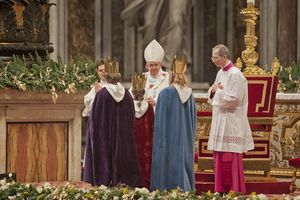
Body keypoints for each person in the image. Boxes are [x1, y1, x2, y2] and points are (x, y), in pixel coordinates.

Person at [83, 57, 142, 187]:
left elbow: (95, 121)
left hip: (105, 140)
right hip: (123, 139)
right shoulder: (126, 94)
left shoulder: (102, 94)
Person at [207, 44, 254, 193]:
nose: (212, 60)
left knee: (230, 156)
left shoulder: (236, 75)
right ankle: (220, 189)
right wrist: (214, 91)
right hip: (221, 118)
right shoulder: (220, 73)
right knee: (219, 154)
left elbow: (235, 99)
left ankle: (234, 189)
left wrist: (217, 92)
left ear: (224, 57)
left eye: (215, 57)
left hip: (231, 121)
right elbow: (214, 90)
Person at [151, 55, 196, 191]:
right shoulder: (189, 94)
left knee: (167, 160)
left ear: (171, 74)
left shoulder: (165, 93)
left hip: (168, 139)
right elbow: (193, 121)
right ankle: (186, 188)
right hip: (185, 140)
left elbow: (159, 122)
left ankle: (165, 187)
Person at [131, 73, 154, 189]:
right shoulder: (149, 107)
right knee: (145, 164)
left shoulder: (129, 106)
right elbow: (153, 125)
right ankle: (146, 186)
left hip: (132, 141)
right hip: (147, 143)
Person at [143, 39, 169, 109]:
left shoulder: (168, 77)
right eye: (151, 65)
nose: (153, 67)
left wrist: (156, 101)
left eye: (156, 65)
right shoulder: (142, 78)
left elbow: (170, 96)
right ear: (147, 66)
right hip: (144, 113)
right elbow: (132, 94)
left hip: (161, 112)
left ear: (160, 65)